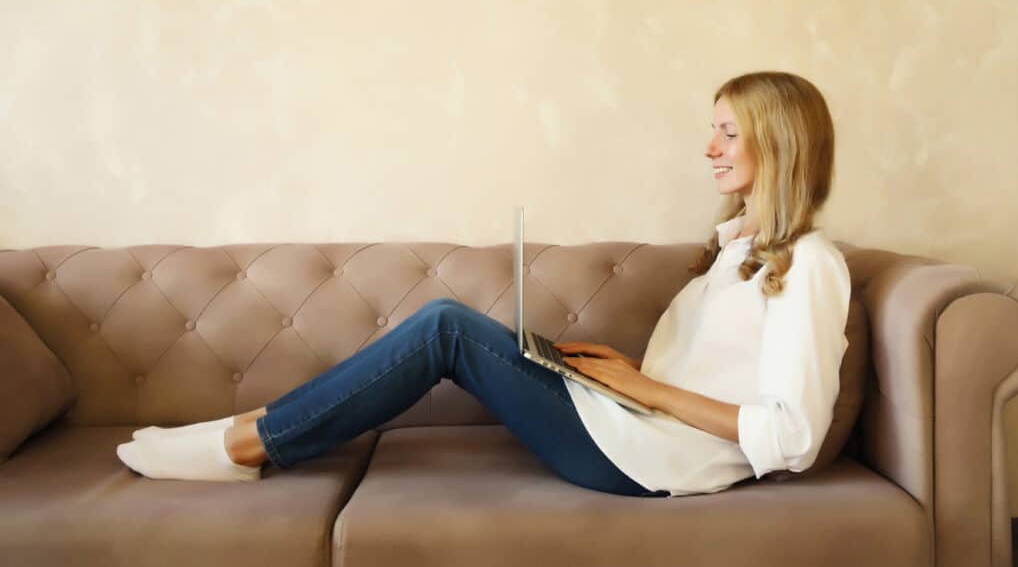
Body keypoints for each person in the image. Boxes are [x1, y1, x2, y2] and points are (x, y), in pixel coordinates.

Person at [116, 71, 851, 498]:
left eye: (726, 131)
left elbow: (793, 434)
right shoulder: (734, 256)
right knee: (460, 331)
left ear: (777, 139)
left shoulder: (812, 265)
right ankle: (248, 435)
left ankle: (247, 444)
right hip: (630, 426)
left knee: (445, 328)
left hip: (643, 459)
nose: (709, 148)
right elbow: (704, 378)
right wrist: (626, 375)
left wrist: (646, 393)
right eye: (712, 131)